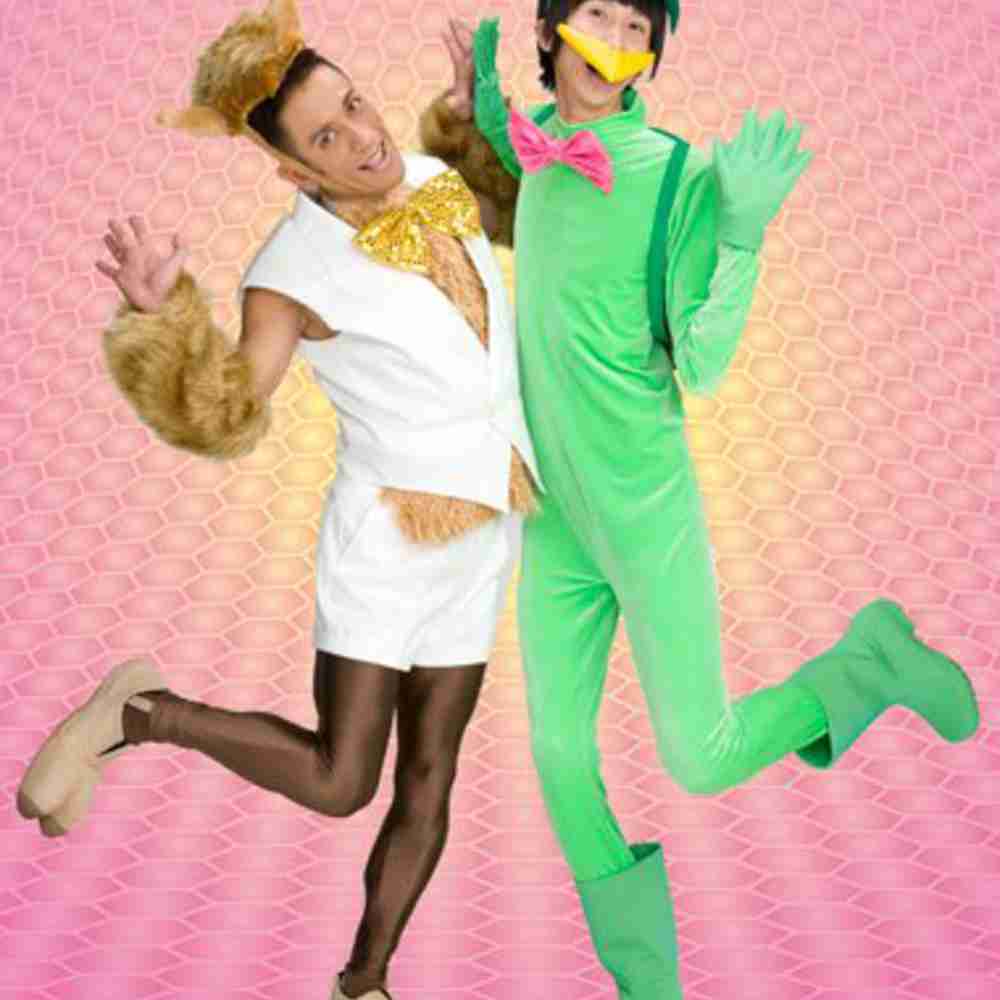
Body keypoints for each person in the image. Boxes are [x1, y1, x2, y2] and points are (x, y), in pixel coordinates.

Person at [420, 1, 980, 996]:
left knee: (700, 756)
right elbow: (509, 155)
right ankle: (649, 981)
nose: (615, 42)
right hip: (556, 517)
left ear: (649, 57)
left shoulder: (675, 175)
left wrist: (743, 234)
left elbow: (706, 363)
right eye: (597, 14)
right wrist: (475, 111)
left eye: (637, 29)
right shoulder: (541, 149)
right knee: (557, 752)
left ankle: (868, 664)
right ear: (551, 32)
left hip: (645, 512)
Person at [16, 2, 542, 998]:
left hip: (484, 526)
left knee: (430, 776)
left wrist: (473, 126)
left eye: (355, 105)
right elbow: (226, 408)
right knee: (343, 781)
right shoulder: (290, 271)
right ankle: (143, 710)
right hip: (387, 540)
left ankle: (365, 980)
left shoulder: (431, 181)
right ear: (293, 171)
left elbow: (517, 217)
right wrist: (159, 314)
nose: (362, 137)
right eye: (326, 138)